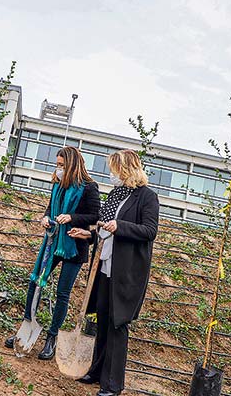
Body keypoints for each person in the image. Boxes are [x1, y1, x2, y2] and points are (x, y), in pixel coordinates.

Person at [68, 150, 159, 396]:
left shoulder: (147, 197)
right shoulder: (116, 194)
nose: (112, 174)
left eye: (115, 169)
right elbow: (104, 228)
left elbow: (150, 230)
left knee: (118, 324)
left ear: (127, 169)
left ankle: (113, 384)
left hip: (126, 271)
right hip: (105, 266)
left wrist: (121, 226)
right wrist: (88, 234)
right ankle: (97, 371)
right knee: (104, 319)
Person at [5, 146, 100, 359]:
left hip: (74, 246)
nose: (58, 169)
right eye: (57, 165)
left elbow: (94, 216)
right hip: (52, 241)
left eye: (62, 166)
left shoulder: (89, 187)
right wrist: (45, 218)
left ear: (73, 165)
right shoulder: (58, 185)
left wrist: (72, 217)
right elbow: (50, 208)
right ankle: (26, 327)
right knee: (35, 282)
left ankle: (52, 337)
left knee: (62, 293)